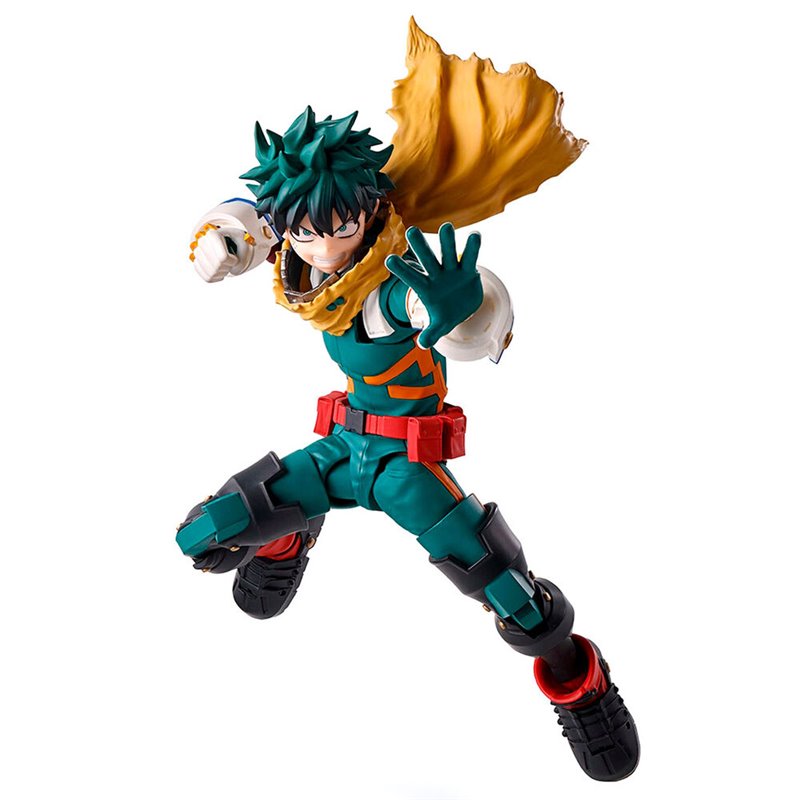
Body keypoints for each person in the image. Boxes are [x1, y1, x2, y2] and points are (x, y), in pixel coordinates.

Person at [177, 21, 640, 782]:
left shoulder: (393, 281)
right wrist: (222, 237)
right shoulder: (305, 252)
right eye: (305, 235)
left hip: (406, 468)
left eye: (339, 230)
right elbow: (253, 214)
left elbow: (471, 323)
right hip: (339, 450)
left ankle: (581, 685)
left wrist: (459, 308)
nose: (321, 250)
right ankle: (291, 532)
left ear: (367, 215)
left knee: (511, 594)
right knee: (206, 533)